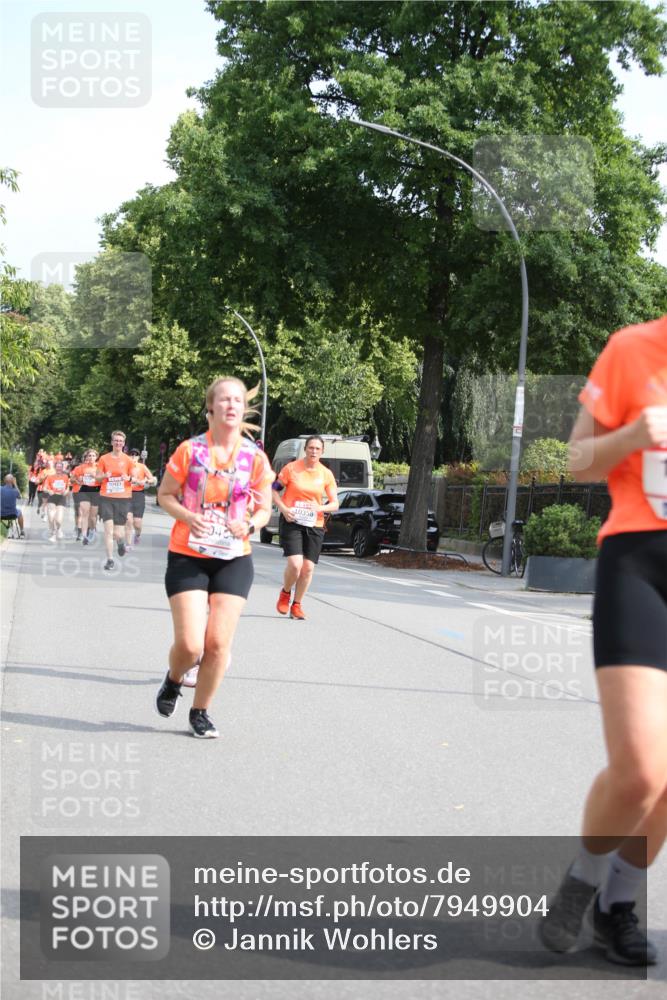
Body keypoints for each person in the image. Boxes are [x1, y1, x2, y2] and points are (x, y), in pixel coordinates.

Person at [539, 315, 667, 966]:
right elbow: (577, 460)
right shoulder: (632, 349)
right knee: (641, 767)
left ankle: (618, 904)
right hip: (639, 563)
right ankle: (582, 880)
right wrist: (630, 435)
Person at [155, 377, 273, 738]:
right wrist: (189, 517)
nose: (232, 405)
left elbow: (265, 508)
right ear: (211, 407)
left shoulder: (254, 457)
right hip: (188, 554)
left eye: (238, 400)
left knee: (218, 643)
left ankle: (200, 712)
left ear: (244, 408)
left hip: (234, 558)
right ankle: (174, 680)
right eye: (224, 399)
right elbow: (165, 495)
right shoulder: (190, 451)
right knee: (191, 646)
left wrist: (250, 524)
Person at [272, 435, 339, 620]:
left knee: (308, 568)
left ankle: (297, 605)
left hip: (314, 523)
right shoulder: (291, 469)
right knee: (295, 564)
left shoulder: (326, 474)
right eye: (311, 448)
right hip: (292, 521)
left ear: (322, 451)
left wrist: (320, 507)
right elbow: (273, 489)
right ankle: (285, 593)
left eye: (317, 449)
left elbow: (335, 503)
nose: (314, 452)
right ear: (305, 449)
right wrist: (284, 509)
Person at [96, 432, 134, 571]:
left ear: (124, 444)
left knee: (117, 533)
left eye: (120, 441)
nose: (118, 443)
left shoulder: (128, 460)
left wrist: (128, 478)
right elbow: (97, 477)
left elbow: (134, 478)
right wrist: (104, 476)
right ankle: (110, 559)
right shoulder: (103, 459)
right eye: (116, 440)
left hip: (123, 498)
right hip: (106, 497)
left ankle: (120, 542)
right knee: (108, 530)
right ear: (111, 442)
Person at [125, 448, 157, 549]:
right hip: (126, 495)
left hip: (138, 495)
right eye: (131, 454)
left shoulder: (142, 467)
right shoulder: (124, 466)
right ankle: (128, 544)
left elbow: (152, 479)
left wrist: (146, 481)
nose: (133, 456)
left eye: (136, 455)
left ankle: (138, 534)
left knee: (137, 523)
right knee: (128, 520)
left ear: (138, 457)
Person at [71, 450, 100, 545]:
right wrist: (77, 480)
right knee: (84, 512)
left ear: (96, 457)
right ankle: (84, 535)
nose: (91, 457)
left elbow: (105, 479)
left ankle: (91, 530)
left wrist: (95, 477)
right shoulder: (81, 468)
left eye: (93, 456)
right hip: (84, 490)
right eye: (89, 456)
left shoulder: (100, 467)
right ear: (87, 457)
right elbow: (72, 479)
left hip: (96, 491)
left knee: (92, 517)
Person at [42, 460, 70, 541]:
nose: (59, 468)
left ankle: (59, 528)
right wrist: (49, 491)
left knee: (58, 520)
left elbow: (68, 487)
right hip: (52, 497)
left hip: (61, 498)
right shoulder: (50, 477)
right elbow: (44, 488)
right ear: (55, 468)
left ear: (62, 468)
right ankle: (53, 533)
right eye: (57, 467)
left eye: (60, 467)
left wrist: (66, 491)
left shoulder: (65, 476)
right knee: (51, 517)